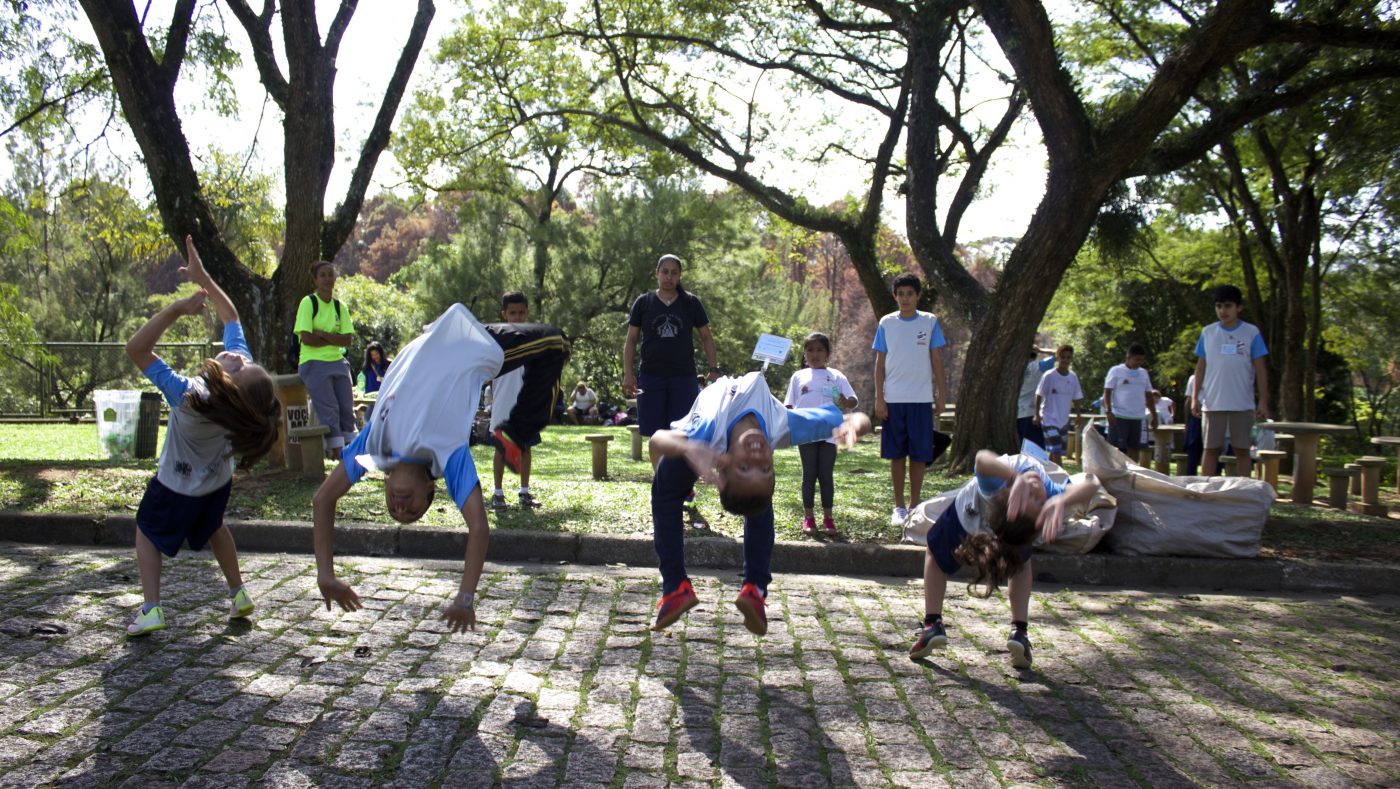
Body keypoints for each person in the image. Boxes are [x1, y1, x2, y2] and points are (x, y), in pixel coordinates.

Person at [312, 304, 567, 632]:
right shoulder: (448, 456)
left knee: (554, 345)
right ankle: (517, 433)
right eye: (412, 511)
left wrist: (325, 573)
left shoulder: (373, 445)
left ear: (386, 485)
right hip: (471, 345)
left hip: (431, 337)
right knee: (556, 343)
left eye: (394, 509)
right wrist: (465, 597)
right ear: (431, 489)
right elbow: (478, 527)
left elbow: (323, 500)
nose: (401, 509)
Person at [123, 236, 282, 636]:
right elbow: (232, 320)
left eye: (239, 361)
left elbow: (137, 349)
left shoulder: (188, 396)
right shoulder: (242, 405)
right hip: (214, 485)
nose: (239, 354)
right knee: (215, 528)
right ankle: (238, 593)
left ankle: (152, 607)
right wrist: (205, 279)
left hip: (175, 485)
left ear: (228, 382)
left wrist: (178, 308)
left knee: (146, 530)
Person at [649, 371, 871, 635]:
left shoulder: (708, 429)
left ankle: (675, 587)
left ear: (725, 465)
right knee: (757, 498)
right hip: (701, 452)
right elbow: (857, 418)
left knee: (670, 485)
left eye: (745, 466)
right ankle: (755, 587)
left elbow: (657, 439)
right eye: (765, 468)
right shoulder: (783, 426)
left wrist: (687, 448)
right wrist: (856, 424)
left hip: (700, 450)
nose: (757, 457)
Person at [909, 450, 1100, 668]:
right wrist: (1061, 500)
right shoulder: (1047, 494)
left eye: (1036, 500)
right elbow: (1093, 484)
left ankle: (932, 623)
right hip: (984, 522)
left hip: (974, 519)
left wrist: (1015, 478)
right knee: (1022, 561)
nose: (1038, 490)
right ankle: (1020, 630)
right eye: (1037, 499)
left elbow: (981, 459)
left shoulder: (994, 484)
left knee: (935, 552)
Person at [622, 254, 719, 469]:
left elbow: (706, 337)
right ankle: (661, 483)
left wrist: (713, 369)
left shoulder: (690, 303)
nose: (669, 276)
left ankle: (683, 488)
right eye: (664, 271)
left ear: (680, 276)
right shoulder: (644, 302)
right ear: (657, 273)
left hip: (683, 378)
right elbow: (631, 340)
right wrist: (628, 374)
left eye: (674, 272)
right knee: (656, 434)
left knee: (683, 434)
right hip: (650, 377)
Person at [873, 273, 948, 527]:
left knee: (919, 455)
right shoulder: (886, 323)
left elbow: (937, 360)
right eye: (901, 294)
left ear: (918, 296)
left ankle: (915, 506)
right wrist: (879, 398)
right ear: (895, 296)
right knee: (897, 455)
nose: (905, 298)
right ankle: (899, 507)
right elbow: (880, 363)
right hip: (893, 399)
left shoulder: (929, 321)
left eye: (910, 294)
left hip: (921, 399)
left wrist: (941, 394)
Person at [784, 332, 859, 536]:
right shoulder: (798, 377)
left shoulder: (836, 376)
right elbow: (789, 405)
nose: (814, 354)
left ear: (827, 353)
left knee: (825, 475)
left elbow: (853, 399)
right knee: (809, 474)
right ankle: (808, 517)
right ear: (804, 354)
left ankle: (828, 518)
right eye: (810, 350)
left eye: (819, 350)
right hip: (806, 432)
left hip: (830, 432)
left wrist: (846, 402)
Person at [1193, 285, 1270, 477]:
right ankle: (1205, 492)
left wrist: (1263, 401)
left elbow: (1260, 369)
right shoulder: (1207, 332)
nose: (1223, 311)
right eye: (1219, 306)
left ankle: (1242, 494)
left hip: (1242, 403)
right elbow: (1200, 367)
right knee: (1211, 449)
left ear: (1239, 308)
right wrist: (1195, 397)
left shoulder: (1251, 332)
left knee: (1242, 450)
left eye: (1228, 306)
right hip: (1212, 402)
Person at [295, 261, 357, 457]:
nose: (327, 279)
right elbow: (306, 338)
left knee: (347, 409)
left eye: (330, 274)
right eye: (322, 275)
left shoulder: (341, 307)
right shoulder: (308, 303)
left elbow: (347, 340)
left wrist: (323, 335)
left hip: (338, 362)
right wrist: (333, 339)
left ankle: (353, 454)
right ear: (315, 279)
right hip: (313, 363)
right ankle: (339, 455)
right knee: (330, 410)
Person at [489, 292, 539, 511]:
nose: (517, 317)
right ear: (504, 314)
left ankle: (524, 492)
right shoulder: (496, 340)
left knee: (525, 448)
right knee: (502, 448)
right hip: (502, 402)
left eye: (521, 312)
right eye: (512, 313)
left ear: (526, 312)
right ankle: (498, 494)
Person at [1033, 344, 1084, 466]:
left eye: (1068, 357)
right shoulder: (1049, 376)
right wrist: (1037, 415)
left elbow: (1076, 397)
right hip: (1049, 419)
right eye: (1063, 357)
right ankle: (1062, 478)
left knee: (1055, 451)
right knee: (1055, 450)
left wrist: (1078, 415)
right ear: (1058, 358)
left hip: (1063, 420)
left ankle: (1048, 477)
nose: (1065, 360)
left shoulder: (1073, 377)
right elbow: (1039, 394)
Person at [1103, 344, 1155, 460]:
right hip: (1120, 416)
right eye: (1136, 360)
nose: (1139, 363)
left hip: (1138, 417)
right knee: (1116, 448)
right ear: (1128, 357)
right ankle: (1114, 474)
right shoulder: (1116, 371)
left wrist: (1154, 415)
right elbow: (1107, 392)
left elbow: (1149, 395)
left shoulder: (1143, 373)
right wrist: (1108, 411)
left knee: (1135, 448)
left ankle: (1132, 474)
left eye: (1141, 360)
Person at [1016, 347, 1056, 449]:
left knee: (1021, 446)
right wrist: (1041, 350)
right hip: (1031, 413)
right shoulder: (1037, 367)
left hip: (1016, 413)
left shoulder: (1012, 369)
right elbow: (1058, 353)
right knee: (1035, 449)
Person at [1182, 373, 1203, 475]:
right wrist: (1187, 423)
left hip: (1214, 413)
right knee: (1193, 450)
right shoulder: (1193, 378)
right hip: (1196, 416)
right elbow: (1189, 400)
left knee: (1212, 449)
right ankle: (1190, 478)